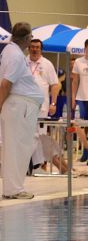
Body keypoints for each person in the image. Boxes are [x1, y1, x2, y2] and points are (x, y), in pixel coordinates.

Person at [0, 22, 41, 199]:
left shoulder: (11, 51)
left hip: (20, 106)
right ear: (27, 38)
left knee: (17, 147)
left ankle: (13, 188)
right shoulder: (15, 55)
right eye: (31, 37)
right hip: (19, 106)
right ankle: (14, 189)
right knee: (18, 148)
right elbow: (6, 83)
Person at [25, 38, 66, 173]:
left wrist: (53, 103)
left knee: (40, 137)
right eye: (32, 47)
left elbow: (55, 85)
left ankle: (41, 166)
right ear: (28, 48)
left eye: (37, 47)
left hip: (41, 107)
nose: (34, 49)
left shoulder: (47, 64)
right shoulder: (23, 62)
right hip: (24, 106)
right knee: (27, 137)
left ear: (41, 49)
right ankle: (32, 166)